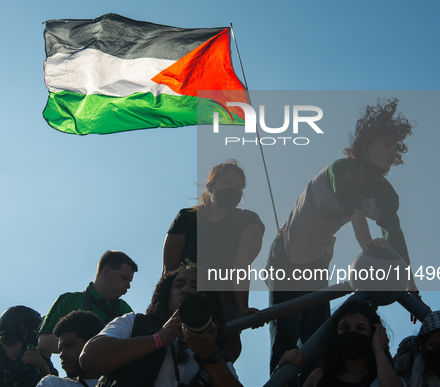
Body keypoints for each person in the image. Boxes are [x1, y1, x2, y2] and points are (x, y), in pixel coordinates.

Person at [267, 99, 421, 384]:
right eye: (386, 144)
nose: (392, 151)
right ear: (365, 148)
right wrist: (368, 247)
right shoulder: (342, 169)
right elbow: (355, 210)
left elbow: (395, 238)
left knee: (318, 336)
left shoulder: (387, 195)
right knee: (287, 333)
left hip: (315, 262)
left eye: (395, 147)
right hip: (286, 255)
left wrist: (410, 285)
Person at [163, 160, 265, 361]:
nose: (233, 189)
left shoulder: (248, 220)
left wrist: (243, 308)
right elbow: (170, 269)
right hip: (185, 298)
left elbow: (242, 264)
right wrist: (162, 307)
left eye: (238, 186)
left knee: (216, 358)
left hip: (223, 302)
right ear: (211, 186)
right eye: (227, 182)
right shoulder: (187, 218)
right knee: (172, 356)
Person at [79, 263, 242, 387]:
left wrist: (210, 355)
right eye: (179, 285)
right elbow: (89, 357)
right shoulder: (134, 322)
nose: (186, 290)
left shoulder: (216, 349)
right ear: (166, 294)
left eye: (196, 286)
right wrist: (158, 339)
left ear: (208, 300)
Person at [37, 250, 137, 360]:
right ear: (106, 271)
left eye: (130, 281)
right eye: (124, 278)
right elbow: (44, 341)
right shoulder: (68, 300)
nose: (128, 286)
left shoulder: (125, 310)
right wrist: (89, 350)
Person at [278, 299, 403, 387]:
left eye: (361, 328)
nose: (352, 333)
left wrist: (379, 350)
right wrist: (281, 374)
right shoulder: (318, 377)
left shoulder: (384, 377)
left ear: (374, 334)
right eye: (345, 328)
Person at [36, 311, 105, 387]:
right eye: (60, 349)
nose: (62, 355)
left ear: (91, 344)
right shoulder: (53, 383)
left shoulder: (115, 381)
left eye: (68, 346)